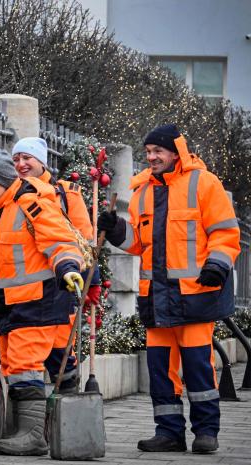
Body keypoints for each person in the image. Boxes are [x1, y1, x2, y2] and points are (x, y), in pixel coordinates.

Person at [97, 124, 240, 454]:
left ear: (176, 151)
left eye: (157, 151)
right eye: (147, 152)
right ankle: (169, 433)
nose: (151, 157)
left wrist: (217, 265)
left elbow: (224, 233)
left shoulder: (204, 184)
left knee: (198, 368)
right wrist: (116, 230)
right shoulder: (142, 190)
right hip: (156, 299)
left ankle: (206, 432)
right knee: (160, 370)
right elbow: (138, 243)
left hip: (194, 295)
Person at [0, 137, 100, 391]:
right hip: (14, 301)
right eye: (16, 159)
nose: (21, 163)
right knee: (23, 364)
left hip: (56, 290)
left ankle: (63, 408)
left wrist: (91, 280)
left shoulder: (62, 194)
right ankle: (38, 419)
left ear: (42, 162)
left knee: (59, 355)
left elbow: (80, 242)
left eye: (27, 158)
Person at [0, 150, 85, 456]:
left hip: (38, 301)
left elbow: (59, 241)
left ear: (2, 180)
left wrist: (69, 268)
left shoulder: (31, 202)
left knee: (24, 365)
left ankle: (33, 435)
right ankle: (22, 428)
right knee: (13, 366)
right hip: (9, 305)